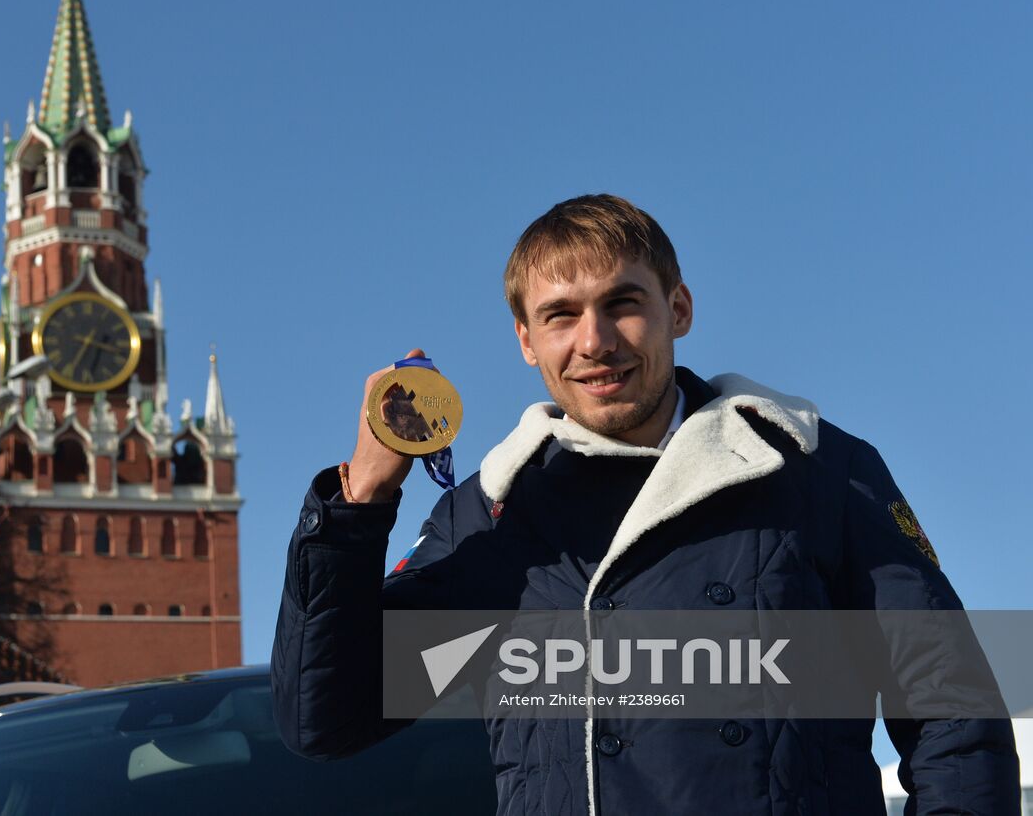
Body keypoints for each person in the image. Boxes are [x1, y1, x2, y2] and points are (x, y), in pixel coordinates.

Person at [271, 194, 1019, 814]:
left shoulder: (818, 469)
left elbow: (952, 712)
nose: (595, 341)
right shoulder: (492, 513)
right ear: (526, 340)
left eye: (622, 303)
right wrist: (360, 500)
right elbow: (327, 719)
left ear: (678, 308)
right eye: (560, 316)